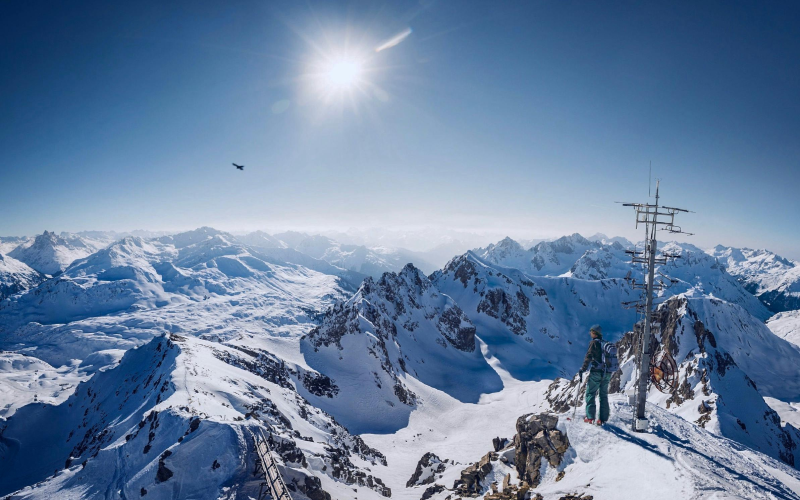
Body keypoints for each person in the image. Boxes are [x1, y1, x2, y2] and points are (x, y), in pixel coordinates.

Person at [578, 324, 611, 425]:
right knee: (603, 395)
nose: (589, 333)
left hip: (596, 372)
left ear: (594, 333)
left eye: (591, 331)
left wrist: (582, 369)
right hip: (607, 373)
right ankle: (602, 419)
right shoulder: (605, 344)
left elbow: (588, 357)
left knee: (590, 394)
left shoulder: (594, 343)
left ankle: (590, 417)